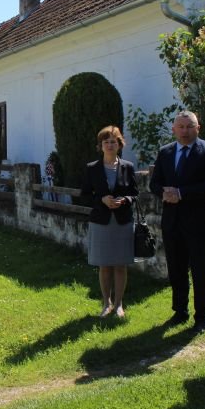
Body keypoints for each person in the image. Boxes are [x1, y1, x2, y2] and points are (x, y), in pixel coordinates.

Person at [150, 110, 205, 334]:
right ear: (173, 129)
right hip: (172, 222)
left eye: (190, 126)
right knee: (176, 270)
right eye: (181, 127)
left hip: (198, 223)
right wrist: (164, 192)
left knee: (200, 272)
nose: (185, 131)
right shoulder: (165, 152)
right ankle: (180, 311)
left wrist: (181, 193)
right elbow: (154, 183)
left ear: (197, 128)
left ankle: (202, 317)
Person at [81, 126, 138, 318]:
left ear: (120, 144)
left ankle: (119, 304)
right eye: (106, 142)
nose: (110, 145)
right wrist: (101, 200)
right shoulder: (92, 168)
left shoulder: (128, 167)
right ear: (101, 145)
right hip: (101, 222)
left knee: (120, 265)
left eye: (113, 141)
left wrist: (125, 200)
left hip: (122, 222)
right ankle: (106, 303)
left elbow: (135, 194)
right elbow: (85, 195)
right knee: (104, 264)